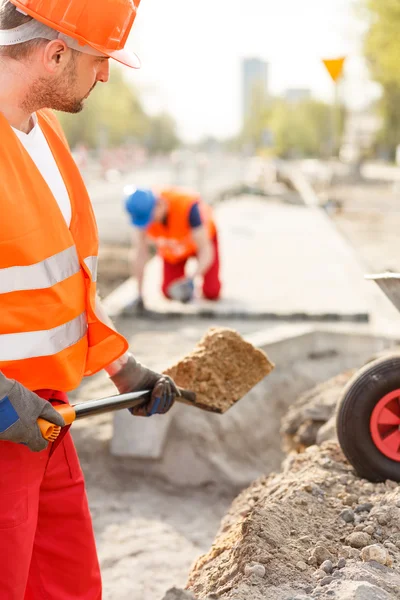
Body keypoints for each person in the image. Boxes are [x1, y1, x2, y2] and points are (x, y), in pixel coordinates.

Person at [0, 0, 180, 598]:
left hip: (42, 421)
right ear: (55, 54)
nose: (104, 75)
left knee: (67, 585)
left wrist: (121, 367)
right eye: (100, 60)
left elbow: (67, 283)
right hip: (7, 417)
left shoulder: (45, 139)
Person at [124, 186, 222, 307]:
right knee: (169, 292)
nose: (149, 223)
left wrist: (191, 279)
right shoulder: (143, 216)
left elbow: (205, 250)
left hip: (201, 244)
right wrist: (139, 293)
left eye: (150, 218)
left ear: (159, 204)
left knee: (212, 292)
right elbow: (139, 253)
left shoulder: (188, 207)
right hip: (174, 248)